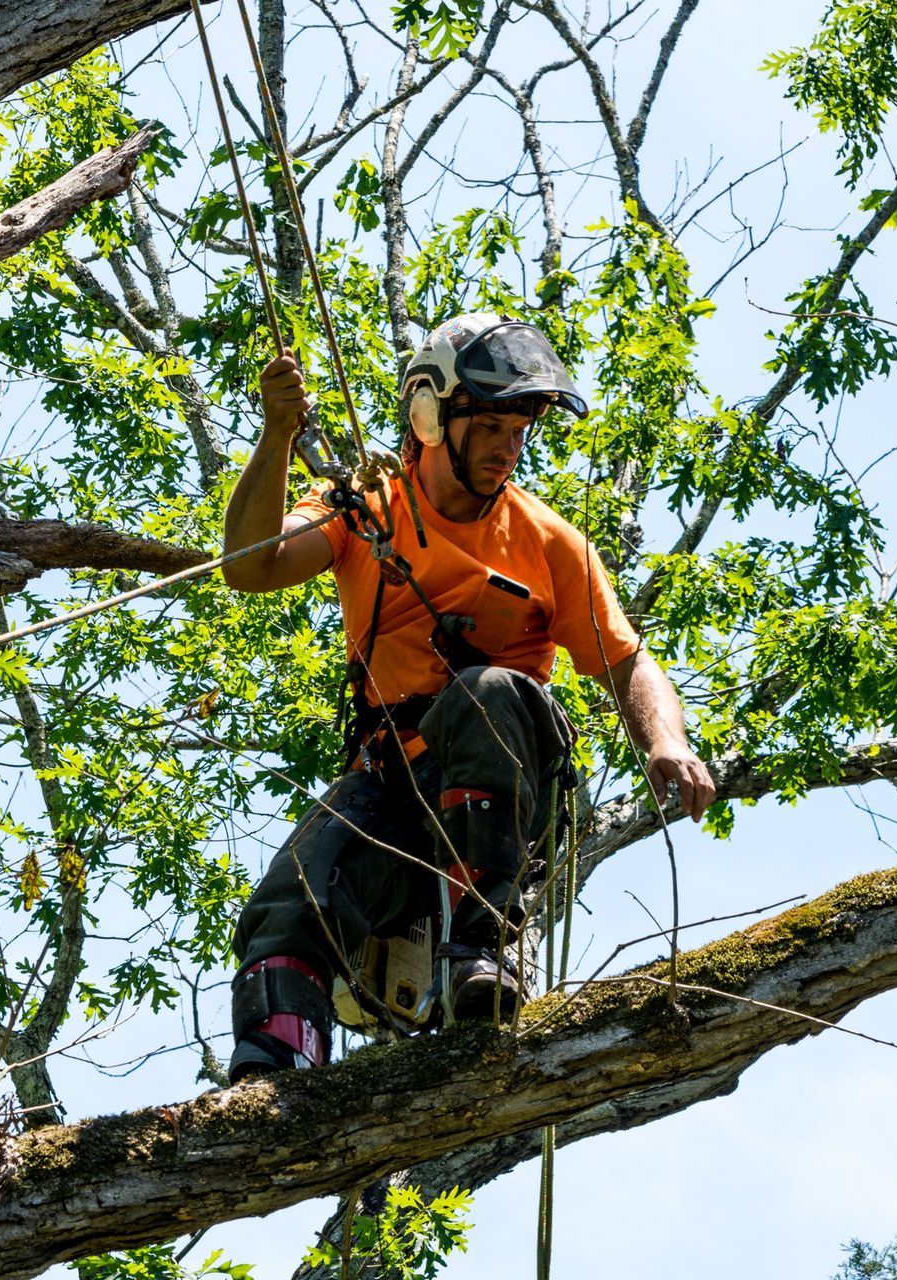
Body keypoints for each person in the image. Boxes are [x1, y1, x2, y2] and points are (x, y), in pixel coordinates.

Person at [220, 313, 715, 1081]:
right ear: (428, 414)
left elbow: (628, 662)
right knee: (293, 897)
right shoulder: (364, 505)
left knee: (484, 693)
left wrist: (666, 741)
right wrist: (278, 435)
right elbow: (253, 566)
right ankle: (274, 1074)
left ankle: (482, 946)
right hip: (395, 786)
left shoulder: (549, 542)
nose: (508, 445)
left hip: (498, 802)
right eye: (489, 424)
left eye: (519, 428)